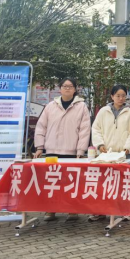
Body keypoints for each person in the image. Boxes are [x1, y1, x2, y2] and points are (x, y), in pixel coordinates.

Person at [33, 77, 91, 222]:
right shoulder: (50, 106)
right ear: (60, 88)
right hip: (51, 151)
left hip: (71, 151)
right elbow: (41, 127)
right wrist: (39, 147)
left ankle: (72, 210)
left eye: (70, 86)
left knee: (71, 182)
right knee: (51, 182)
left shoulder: (81, 107)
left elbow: (84, 130)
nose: (67, 88)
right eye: (64, 86)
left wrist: (80, 151)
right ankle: (50, 210)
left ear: (75, 89)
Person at [88, 84, 130, 222]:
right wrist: (100, 145)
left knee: (123, 183)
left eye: (123, 95)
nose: (121, 98)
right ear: (112, 96)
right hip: (105, 154)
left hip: (123, 154)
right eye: (118, 95)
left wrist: (128, 147)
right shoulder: (103, 111)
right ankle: (100, 211)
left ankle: (124, 211)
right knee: (103, 183)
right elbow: (96, 129)